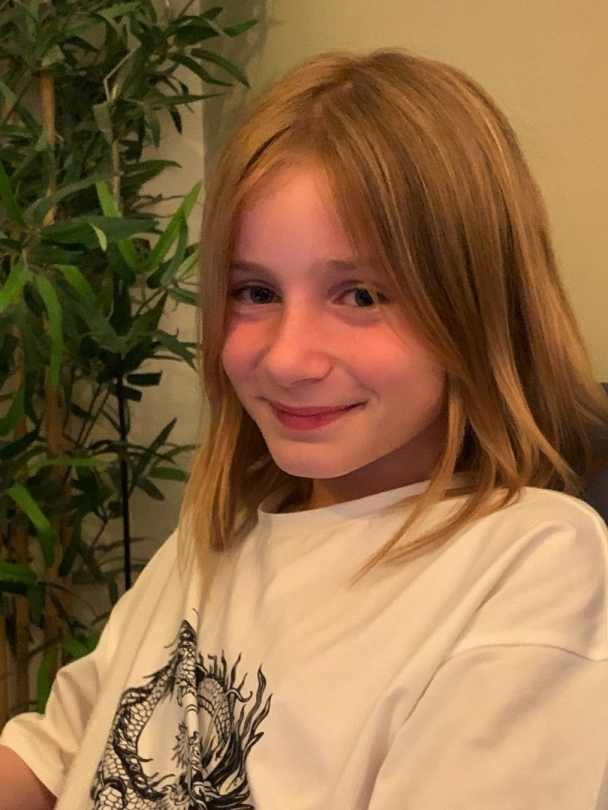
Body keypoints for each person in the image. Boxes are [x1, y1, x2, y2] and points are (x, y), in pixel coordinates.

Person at [1, 48, 608, 810]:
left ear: (478, 307)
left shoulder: (530, 562)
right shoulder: (218, 534)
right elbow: (60, 751)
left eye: (360, 295)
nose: (288, 359)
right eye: (255, 292)